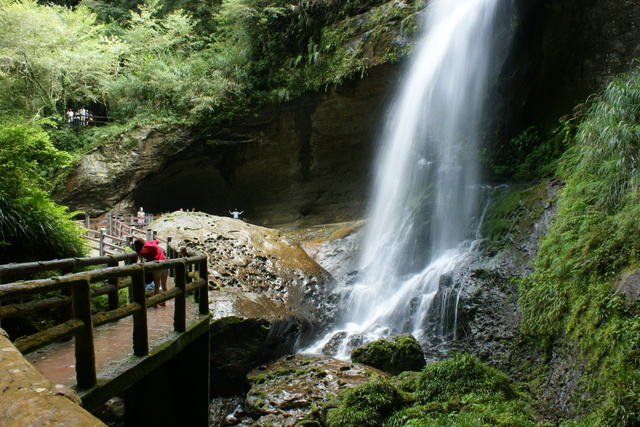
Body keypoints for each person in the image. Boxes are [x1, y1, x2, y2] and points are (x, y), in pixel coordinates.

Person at [133, 238, 168, 306]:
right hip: (165, 263)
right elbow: (157, 241)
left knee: (157, 285)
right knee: (164, 285)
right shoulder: (151, 243)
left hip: (157, 266)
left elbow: (148, 259)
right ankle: (163, 302)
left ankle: (155, 303)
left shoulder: (144, 251)